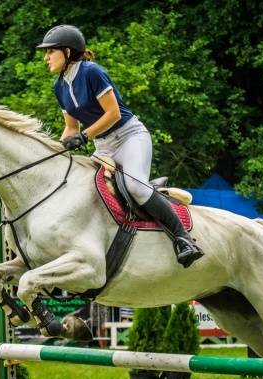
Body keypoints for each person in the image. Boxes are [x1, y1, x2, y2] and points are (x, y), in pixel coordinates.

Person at [36, 25, 204, 268]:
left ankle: (184, 239)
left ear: (68, 51)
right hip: (103, 147)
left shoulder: (92, 72)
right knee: (82, 188)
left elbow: (113, 114)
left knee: (135, 186)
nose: (46, 57)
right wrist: (53, 153)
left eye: (50, 51)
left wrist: (84, 136)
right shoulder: (58, 86)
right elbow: (71, 128)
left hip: (129, 137)